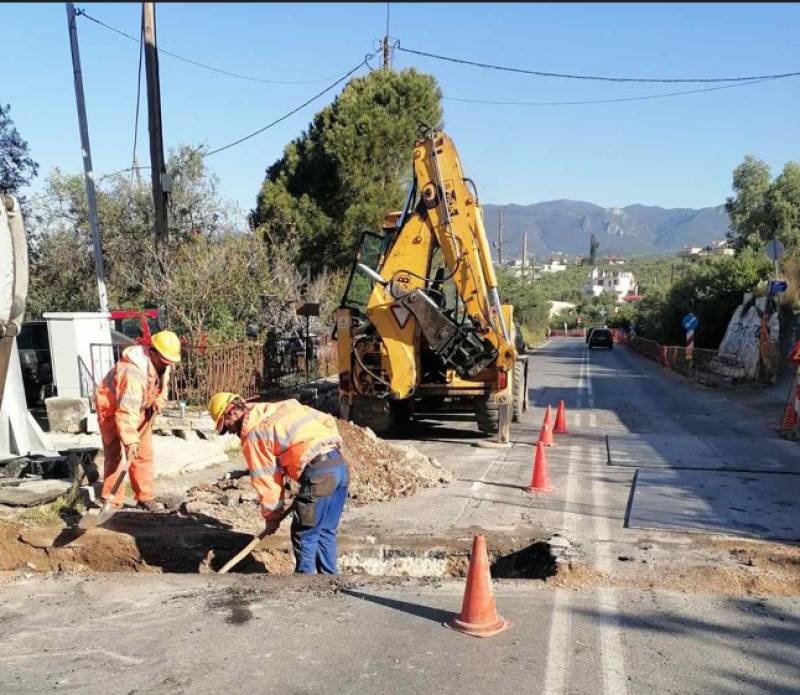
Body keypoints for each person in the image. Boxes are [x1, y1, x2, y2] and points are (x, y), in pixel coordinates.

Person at [208, 392, 348, 575]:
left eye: (226, 426)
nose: (230, 432)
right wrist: (328, 450)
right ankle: (330, 582)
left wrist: (272, 517)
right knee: (324, 531)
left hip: (319, 474)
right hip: (339, 466)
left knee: (304, 533)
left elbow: (267, 481)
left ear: (233, 412)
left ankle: (305, 584)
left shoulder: (255, 434)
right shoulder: (284, 406)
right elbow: (327, 420)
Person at [94, 330, 182, 512]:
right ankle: (112, 501)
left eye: (169, 362)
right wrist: (130, 440)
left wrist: (159, 399)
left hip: (139, 407)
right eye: (164, 361)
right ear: (152, 352)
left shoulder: (162, 364)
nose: (167, 365)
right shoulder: (133, 372)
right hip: (111, 409)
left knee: (144, 453)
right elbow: (126, 409)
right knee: (115, 455)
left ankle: (145, 497)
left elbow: (162, 384)